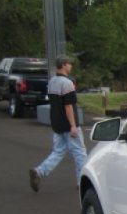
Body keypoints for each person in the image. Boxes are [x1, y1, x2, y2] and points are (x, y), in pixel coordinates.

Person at [29, 55, 87, 192]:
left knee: (58, 151)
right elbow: (68, 106)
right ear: (64, 65)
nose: (71, 66)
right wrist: (73, 125)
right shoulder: (67, 84)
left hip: (56, 124)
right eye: (69, 64)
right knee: (80, 153)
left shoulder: (52, 82)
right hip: (68, 124)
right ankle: (83, 182)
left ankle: (39, 171)